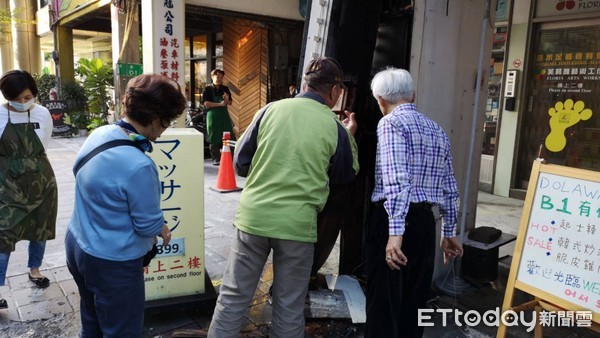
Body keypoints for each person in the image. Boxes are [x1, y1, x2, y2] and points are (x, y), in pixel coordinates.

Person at [208, 57, 359, 337]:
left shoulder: (269, 110)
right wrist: (349, 136)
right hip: (297, 227)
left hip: (253, 218)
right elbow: (345, 175)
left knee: (232, 298)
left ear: (303, 84)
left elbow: (240, 163)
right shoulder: (335, 127)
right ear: (336, 91)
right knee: (289, 307)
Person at [65, 74, 184, 336]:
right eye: (167, 121)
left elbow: (79, 173)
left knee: (92, 319)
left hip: (77, 243)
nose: (165, 128)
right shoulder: (139, 164)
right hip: (112, 262)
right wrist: (161, 227)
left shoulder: (101, 133)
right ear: (154, 118)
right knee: (123, 330)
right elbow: (146, 224)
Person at [365, 67, 463, 337]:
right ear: (413, 95)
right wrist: (449, 232)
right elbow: (449, 187)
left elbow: (397, 181)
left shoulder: (390, 123)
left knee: (384, 304)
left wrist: (395, 235)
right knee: (414, 303)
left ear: (380, 100)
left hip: (393, 222)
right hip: (424, 224)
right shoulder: (437, 130)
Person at [0, 70, 58, 309]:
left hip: (42, 181)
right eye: (17, 98)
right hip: (7, 183)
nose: (23, 102)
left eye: (27, 97)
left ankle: (34, 269)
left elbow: (44, 143)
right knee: (3, 234)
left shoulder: (43, 113)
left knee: (39, 229)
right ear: (6, 96)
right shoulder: (0, 114)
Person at [202, 69, 234, 165]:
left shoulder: (225, 89)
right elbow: (206, 103)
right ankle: (216, 159)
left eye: (221, 77)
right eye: (217, 76)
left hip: (224, 115)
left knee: (229, 135)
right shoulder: (207, 89)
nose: (219, 78)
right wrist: (220, 104)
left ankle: (230, 157)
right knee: (213, 136)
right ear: (212, 77)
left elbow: (230, 102)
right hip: (212, 116)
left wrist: (227, 100)